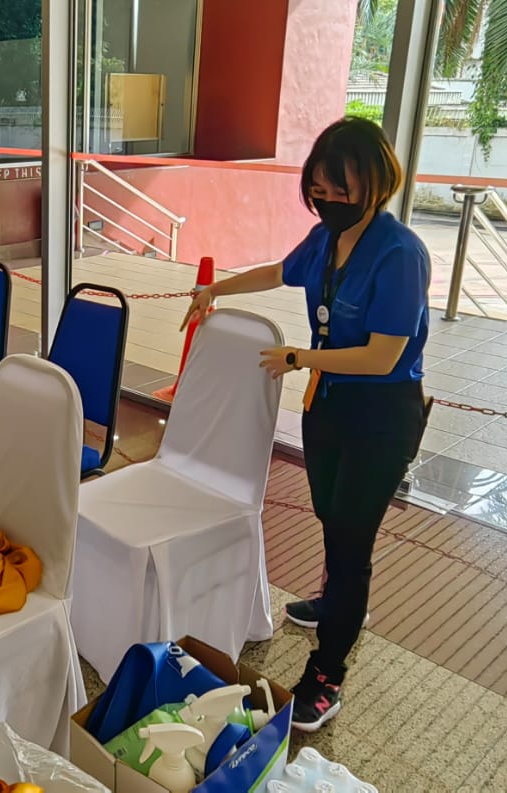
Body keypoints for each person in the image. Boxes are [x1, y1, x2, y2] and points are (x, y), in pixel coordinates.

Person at [181, 118, 429, 732]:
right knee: (329, 514)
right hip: (329, 405)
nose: (327, 200)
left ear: (376, 182)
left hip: (380, 415)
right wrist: (215, 289)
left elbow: (383, 356)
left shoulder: (400, 254)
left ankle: (327, 674)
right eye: (318, 189)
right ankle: (338, 599)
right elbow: (277, 271)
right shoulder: (325, 239)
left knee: (352, 541)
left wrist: (300, 358)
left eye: (340, 189)